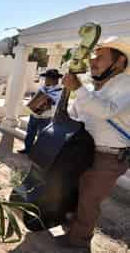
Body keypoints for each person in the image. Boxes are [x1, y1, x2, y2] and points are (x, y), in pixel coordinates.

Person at [56, 37, 130, 251]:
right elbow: (80, 114)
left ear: (119, 62)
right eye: (93, 57)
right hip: (86, 151)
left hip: (108, 156)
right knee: (77, 194)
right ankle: (71, 232)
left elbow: (106, 111)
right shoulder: (97, 87)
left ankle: (78, 243)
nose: (92, 61)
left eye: (100, 57)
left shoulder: (126, 84)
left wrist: (78, 88)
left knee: (89, 200)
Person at [18, 69, 63, 154]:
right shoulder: (43, 87)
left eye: (47, 78)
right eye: (46, 78)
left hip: (45, 117)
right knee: (30, 133)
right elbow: (37, 97)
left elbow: (54, 104)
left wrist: (47, 102)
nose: (45, 80)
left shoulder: (59, 91)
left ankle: (38, 152)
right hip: (34, 115)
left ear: (54, 79)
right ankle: (27, 149)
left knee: (42, 136)